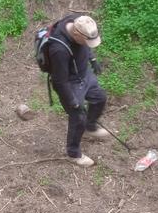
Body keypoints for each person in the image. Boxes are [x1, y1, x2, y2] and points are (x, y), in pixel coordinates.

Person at [45, 14, 110, 167]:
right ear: (76, 33)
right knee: (78, 117)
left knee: (100, 98)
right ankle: (73, 153)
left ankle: (90, 126)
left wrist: (92, 59)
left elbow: (86, 44)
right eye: (87, 40)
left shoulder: (78, 22)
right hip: (70, 83)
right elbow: (59, 81)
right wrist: (72, 101)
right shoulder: (58, 49)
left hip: (84, 74)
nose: (89, 43)